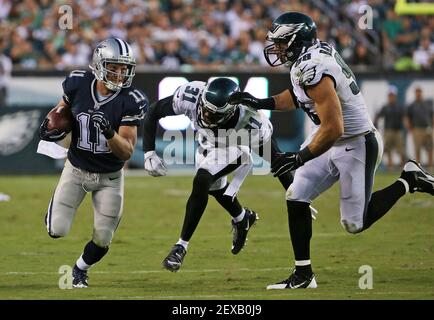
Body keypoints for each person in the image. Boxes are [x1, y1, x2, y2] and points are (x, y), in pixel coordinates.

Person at [228, 12, 434, 289]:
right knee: (296, 195)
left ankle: (409, 180)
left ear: (296, 40)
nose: (276, 48)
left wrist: (299, 157)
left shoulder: (314, 67)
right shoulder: (307, 60)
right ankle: (303, 275)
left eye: (281, 42)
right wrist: (260, 102)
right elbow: (299, 97)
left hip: (356, 142)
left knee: (354, 224)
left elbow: (334, 127)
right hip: (329, 138)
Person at [142, 77, 294, 272]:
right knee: (214, 187)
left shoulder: (250, 120)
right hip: (207, 144)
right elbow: (153, 112)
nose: (206, 115)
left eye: (213, 115)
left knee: (202, 180)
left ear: (230, 111)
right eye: (205, 109)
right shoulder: (191, 96)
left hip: (237, 146)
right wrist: (149, 153)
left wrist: (295, 192)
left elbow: (275, 158)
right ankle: (242, 217)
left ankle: (181, 246)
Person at [39, 38, 148, 288]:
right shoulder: (78, 82)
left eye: (124, 68)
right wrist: (51, 126)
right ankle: (54, 209)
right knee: (57, 230)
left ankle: (80, 269)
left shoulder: (131, 99)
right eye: (114, 66)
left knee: (103, 238)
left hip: (110, 176)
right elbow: (60, 112)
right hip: (76, 169)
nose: (120, 74)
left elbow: (127, 152)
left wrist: (109, 132)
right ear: (99, 64)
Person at [374, 85, 406, 169]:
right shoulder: (385, 107)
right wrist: (375, 124)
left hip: (398, 131)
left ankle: (403, 167)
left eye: (392, 95)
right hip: (388, 131)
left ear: (395, 96)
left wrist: (406, 125)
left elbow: (404, 118)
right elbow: (378, 116)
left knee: (401, 150)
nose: (391, 97)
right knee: (388, 150)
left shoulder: (399, 107)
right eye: (390, 95)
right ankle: (390, 166)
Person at [405, 87, 434, 167]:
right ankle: (418, 167)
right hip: (417, 129)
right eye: (417, 92)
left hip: (427, 129)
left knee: (430, 148)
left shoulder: (427, 103)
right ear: (415, 93)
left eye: (420, 92)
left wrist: (432, 126)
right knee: (418, 149)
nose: (418, 94)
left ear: (422, 93)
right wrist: (411, 129)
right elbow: (407, 118)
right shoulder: (412, 105)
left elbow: (432, 115)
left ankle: (430, 166)